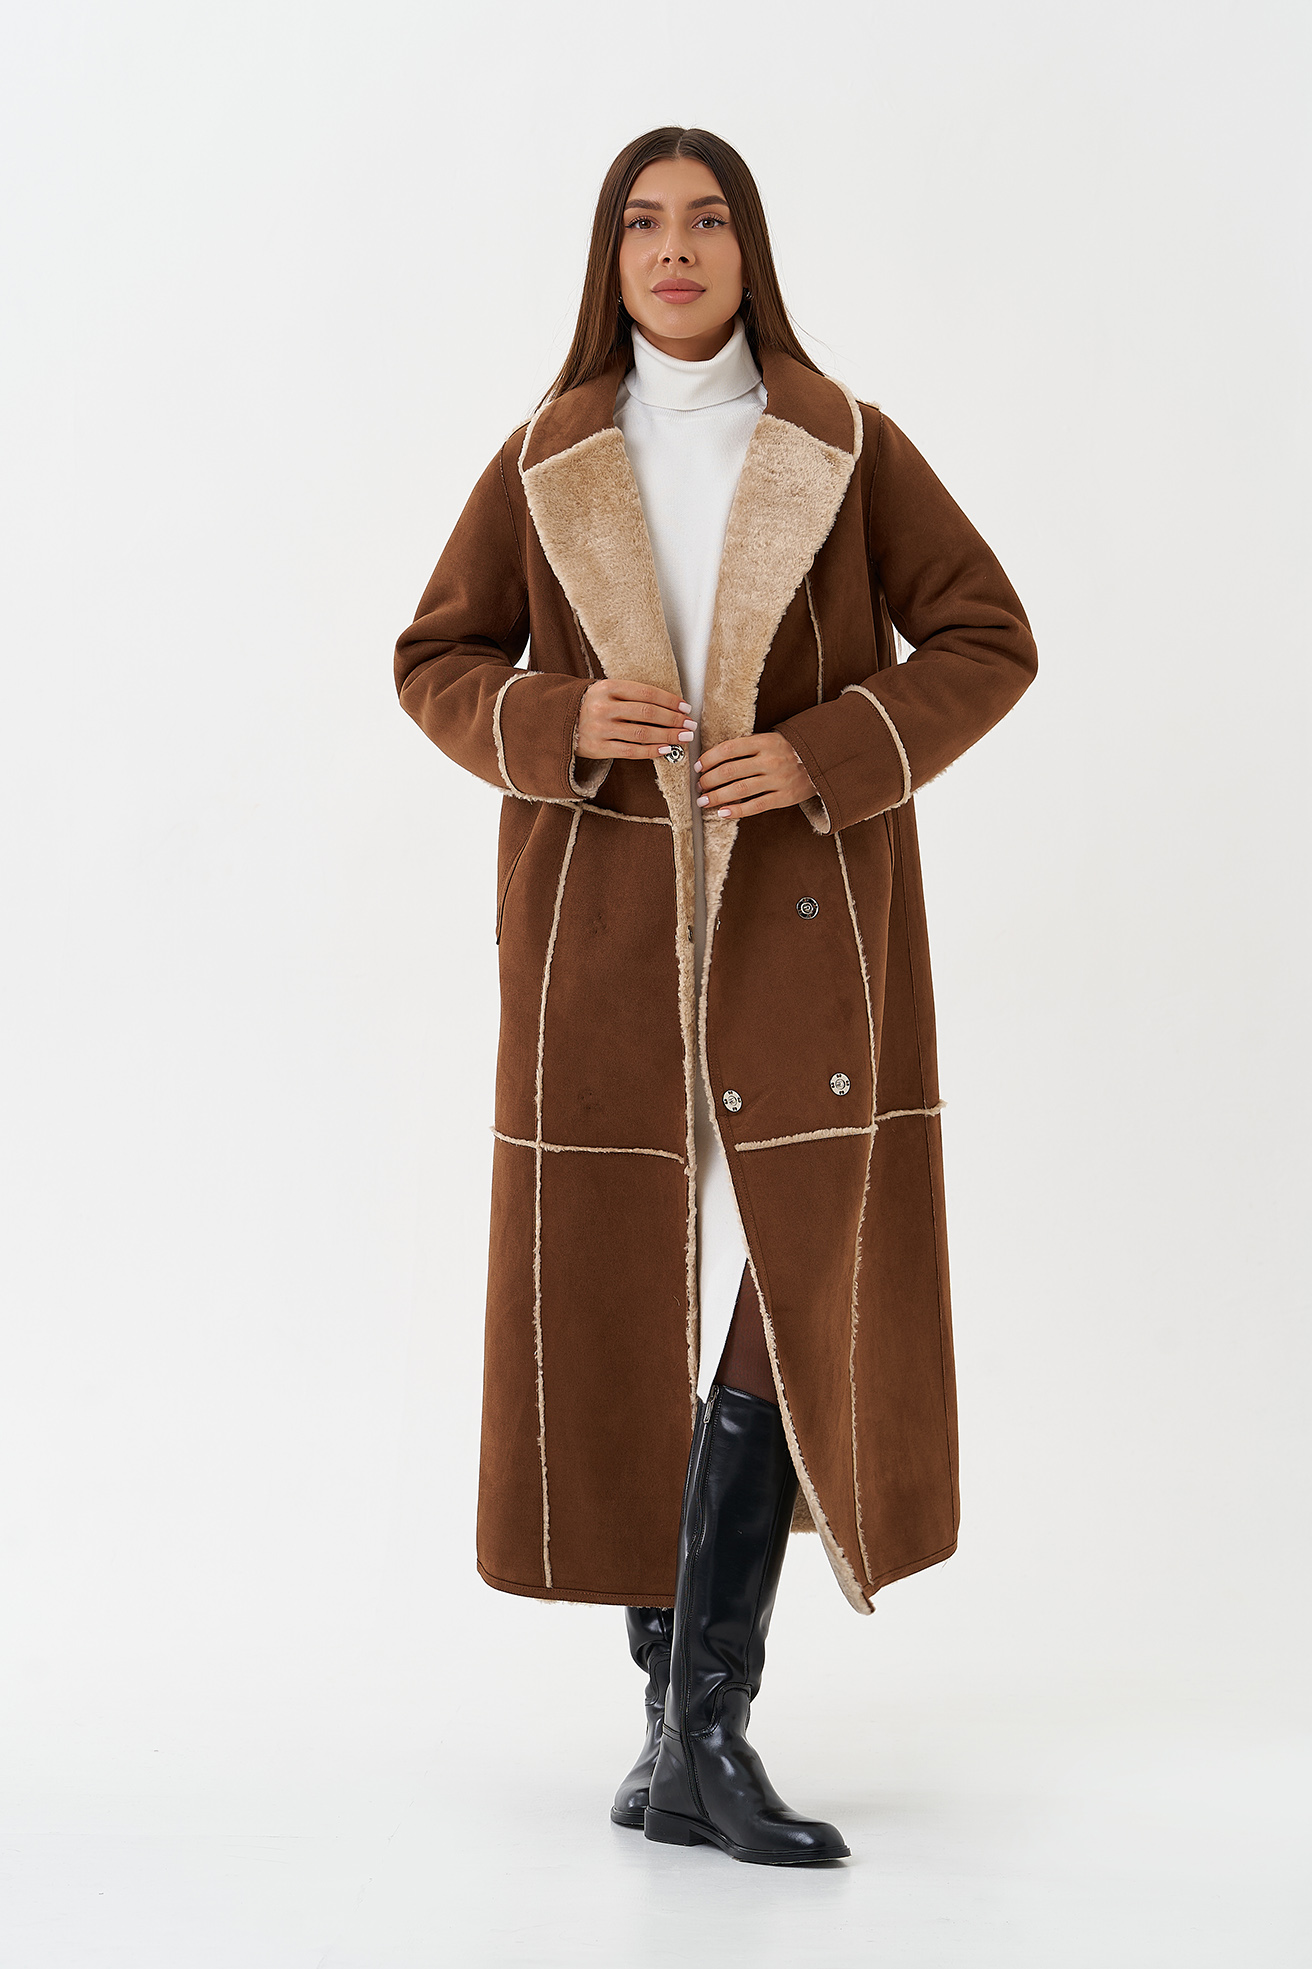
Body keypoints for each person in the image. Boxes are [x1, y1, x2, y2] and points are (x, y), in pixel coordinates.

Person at [394, 126, 1037, 1867]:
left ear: (751, 250)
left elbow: (987, 635)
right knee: (632, 1298)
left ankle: (703, 1727)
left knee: (792, 1274)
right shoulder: (549, 455)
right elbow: (435, 657)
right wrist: (555, 721)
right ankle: (680, 1736)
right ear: (609, 261)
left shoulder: (843, 443)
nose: (673, 248)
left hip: (799, 927)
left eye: (706, 219)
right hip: (601, 937)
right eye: (641, 222)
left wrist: (827, 750)